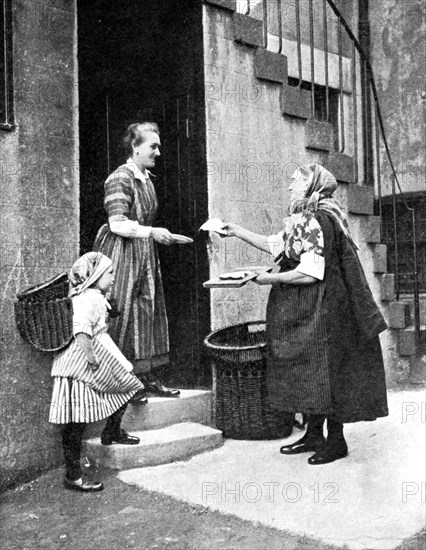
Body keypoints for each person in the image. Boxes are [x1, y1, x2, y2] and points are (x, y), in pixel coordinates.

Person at [222, 163, 388, 465]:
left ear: (312, 186)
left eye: (296, 181)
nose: (289, 186)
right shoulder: (308, 217)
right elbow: (280, 245)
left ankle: (336, 441)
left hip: (324, 307)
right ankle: (314, 434)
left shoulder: (317, 218)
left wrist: (267, 278)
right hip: (313, 305)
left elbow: (310, 273)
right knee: (310, 369)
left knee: (326, 372)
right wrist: (237, 231)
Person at [94, 122, 179, 398]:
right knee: (121, 309)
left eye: (158, 147)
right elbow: (117, 223)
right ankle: (119, 380)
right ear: (135, 146)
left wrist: (151, 236)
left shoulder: (146, 179)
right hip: (120, 251)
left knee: (146, 310)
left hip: (143, 252)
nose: (158, 152)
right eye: (152, 146)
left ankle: (144, 378)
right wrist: (151, 232)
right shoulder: (120, 178)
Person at [49, 252, 147, 492]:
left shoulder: (95, 296)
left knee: (128, 385)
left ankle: (111, 431)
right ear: (95, 275)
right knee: (76, 422)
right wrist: (93, 362)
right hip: (81, 362)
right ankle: (73, 475)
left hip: (98, 351)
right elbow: (82, 333)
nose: (114, 277)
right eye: (110, 273)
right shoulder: (86, 299)